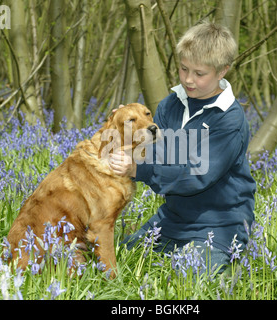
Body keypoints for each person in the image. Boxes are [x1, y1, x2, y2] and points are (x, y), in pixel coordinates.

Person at [108, 21, 256, 275]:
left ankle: (232, 271)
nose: (188, 79)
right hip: (172, 221)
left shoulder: (229, 119)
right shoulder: (171, 105)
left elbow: (197, 175)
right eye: (183, 68)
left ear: (222, 71)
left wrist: (137, 168)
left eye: (199, 74)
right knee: (117, 259)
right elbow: (156, 150)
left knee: (186, 276)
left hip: (219, 227)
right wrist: (123, 128)